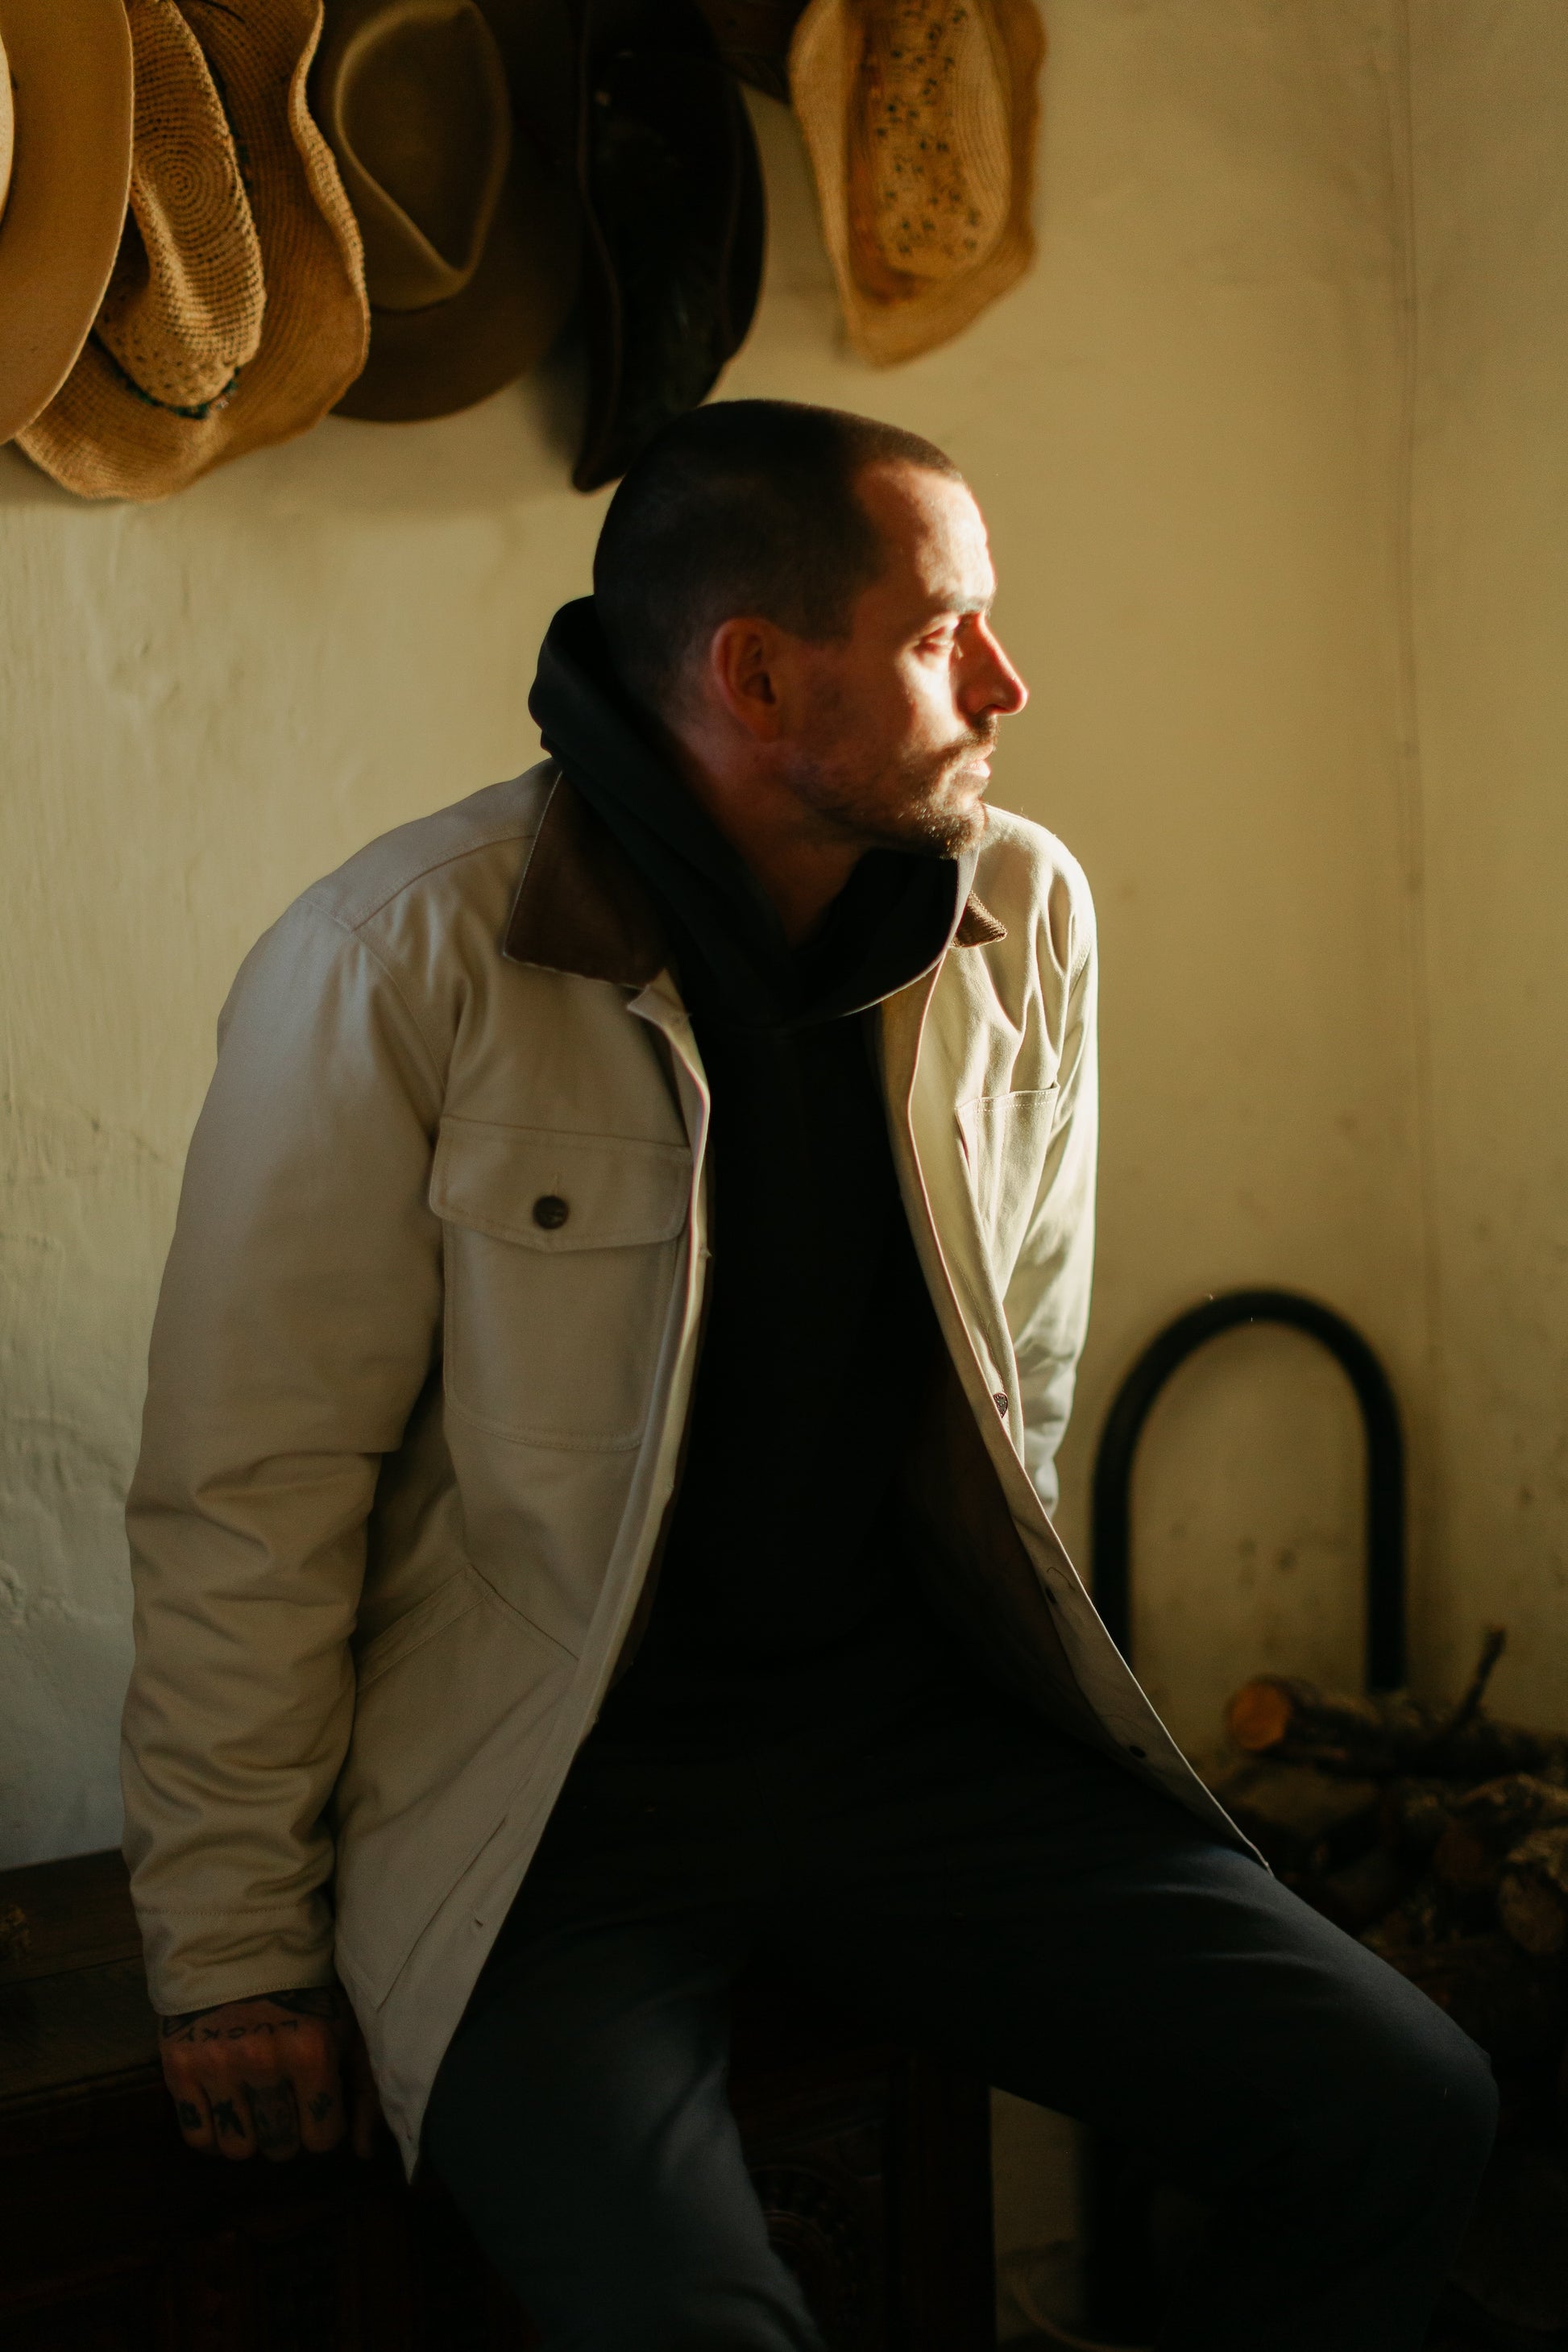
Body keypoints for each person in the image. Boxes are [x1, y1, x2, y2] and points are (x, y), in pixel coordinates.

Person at [123, 400, 1495, 2350]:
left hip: (914, 1752)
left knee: (1398, 2106)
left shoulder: (1021, 911)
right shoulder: (399, 957)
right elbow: (248, 1488)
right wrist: (233, 1945)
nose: (1010, 681)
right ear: (758, 677)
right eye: (945, 635)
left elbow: (1014, 1364)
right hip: (541, 1814)